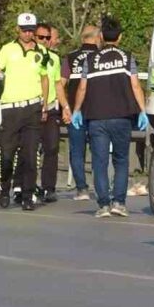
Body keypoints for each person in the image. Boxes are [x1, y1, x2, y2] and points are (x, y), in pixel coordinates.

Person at [71, 17, 147, 218]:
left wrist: (77, 109)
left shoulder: (90, 60)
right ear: (120, 37)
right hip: (122, 116)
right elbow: (135, 85)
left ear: (102, 36)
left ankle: (103, 204)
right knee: (121, 160)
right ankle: (119, 203)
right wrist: (142, 110)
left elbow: (82, 87)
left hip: (96, 117)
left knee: (99, 161)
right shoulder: (127, 58)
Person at [0, 13, 49, 211]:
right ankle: (4, 188)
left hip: (32, 108)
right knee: (7, 154)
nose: (28, 33)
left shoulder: (41, 51)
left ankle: (27, 195)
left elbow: (45, 78)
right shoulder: (7, 50)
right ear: (17, 29)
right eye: (24, 30)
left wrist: (44, 103)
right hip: (11, 109)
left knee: (31, 155)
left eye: (31, 30)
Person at [61, 24, 100, 200]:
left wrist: (65, 107)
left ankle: (82, 189)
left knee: (77, 151)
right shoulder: (102, 57)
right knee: (99, 150)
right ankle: (101, 187)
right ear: (96, 37)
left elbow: (60, 84)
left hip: (75, 111)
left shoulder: (70, 58)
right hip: (97, 111)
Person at [35, 23, 67, 203]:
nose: (45, 41)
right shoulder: (30, 56)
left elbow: (58, 85)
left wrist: (66, 107)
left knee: (52, 148)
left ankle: (49, 187)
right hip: (32, 107)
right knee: (30, 149)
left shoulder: (54, 59)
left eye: (48, 38)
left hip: (52, 109)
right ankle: (27, 185)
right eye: (42, 38)